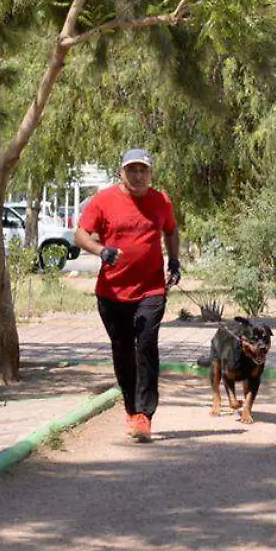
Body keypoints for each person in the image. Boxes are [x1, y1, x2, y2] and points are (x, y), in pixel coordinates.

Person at [74, 148, 181, 441]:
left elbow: (171, 231)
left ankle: (145, 415)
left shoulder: (161, 201)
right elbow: (81, 234)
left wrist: (174, 260)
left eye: (143, 170)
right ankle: (131, 409)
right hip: (112, 291)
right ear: (121, 172)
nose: (137, 175)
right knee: (122, 351)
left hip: (151, 289)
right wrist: (101, 250)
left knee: (146, 346)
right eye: (131, 169)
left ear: (150, 173)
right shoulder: (103, 200)